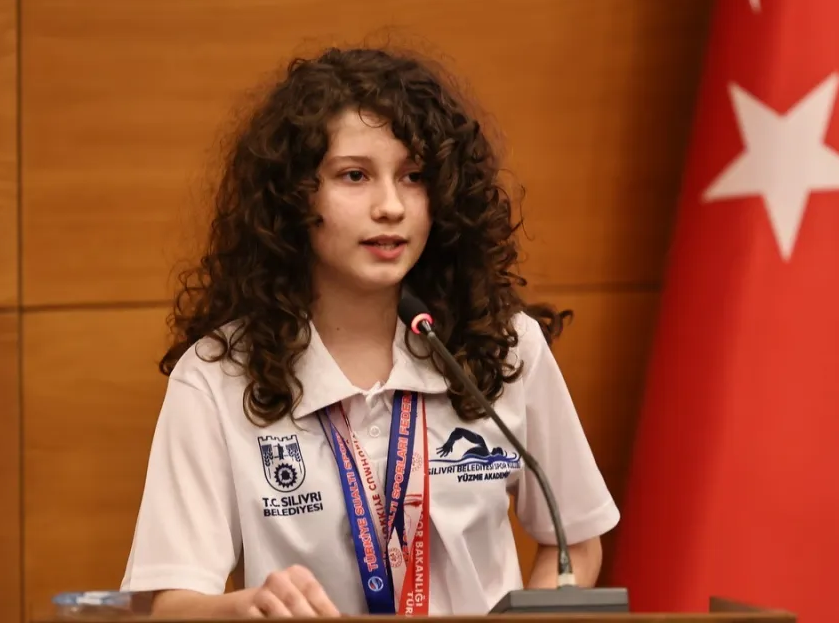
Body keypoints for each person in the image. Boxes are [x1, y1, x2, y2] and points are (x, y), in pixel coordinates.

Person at [120, 47, 619, 618]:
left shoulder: (502, 344)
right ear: (293, 196)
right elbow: (167, 603)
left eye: (414, 177)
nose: (390, 206)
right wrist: (245, 610)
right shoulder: (218, 373)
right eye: (354, 176)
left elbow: (574, 541)